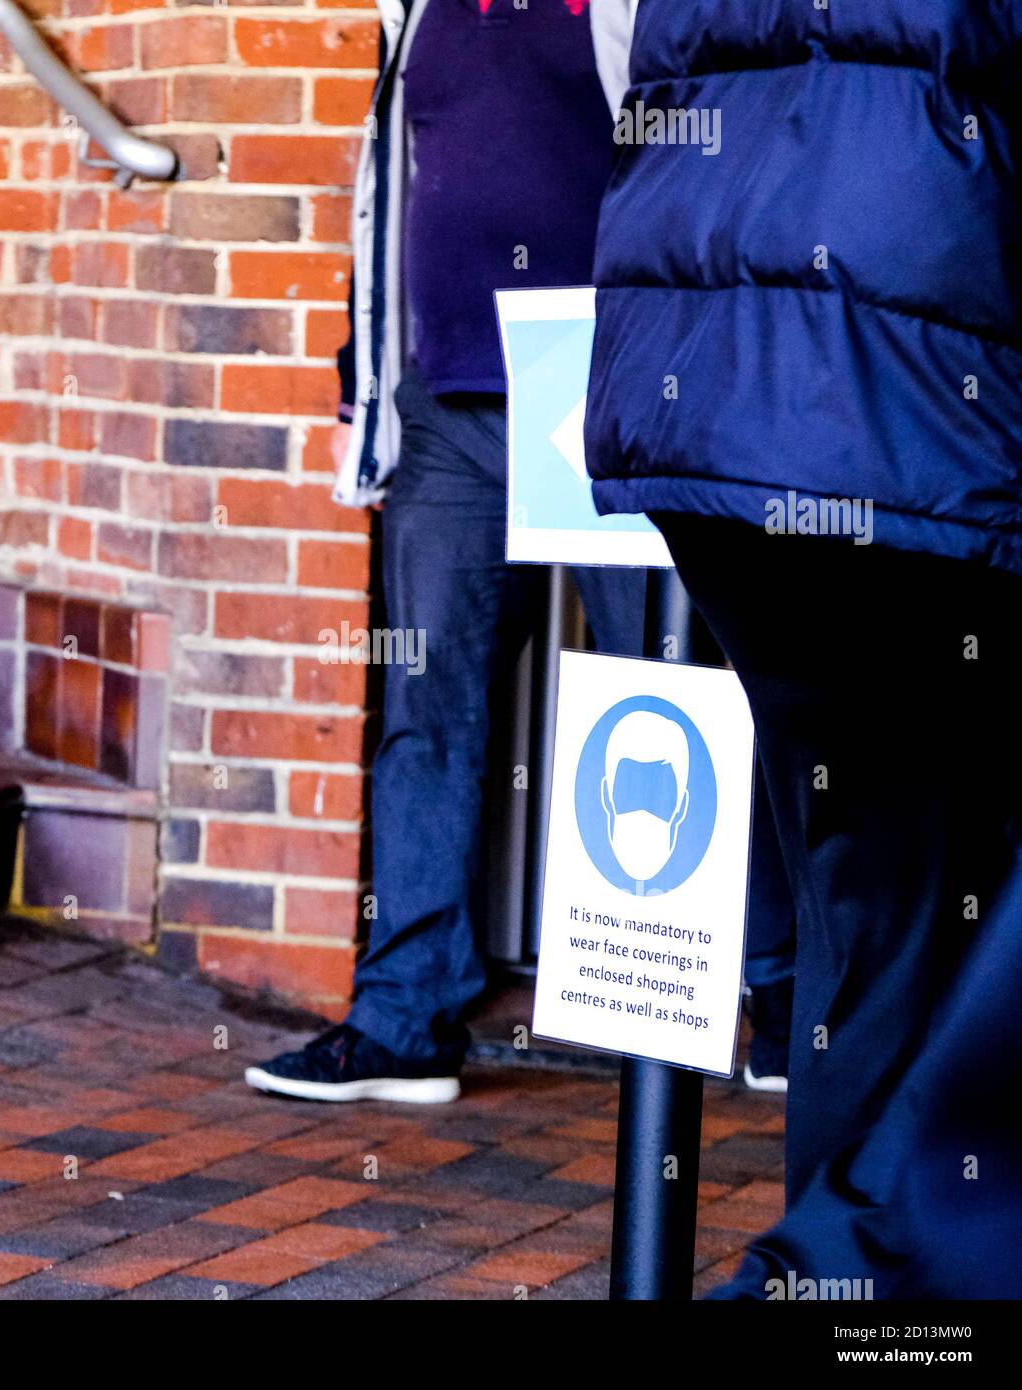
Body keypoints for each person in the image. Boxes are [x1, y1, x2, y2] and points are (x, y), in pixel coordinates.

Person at [245, 0, 793, 1105]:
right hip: (446, 408)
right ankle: (404, 1020)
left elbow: (705, 171)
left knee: (680, 691)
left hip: (605, 388)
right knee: (426, 710)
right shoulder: (417, 9)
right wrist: (363, 384)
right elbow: (385, 196)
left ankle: (779, 1002)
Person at [585, 0, 1022, 1296]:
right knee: (936, 909)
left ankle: (846, 1289)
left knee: (873, 914)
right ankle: (857, 1278)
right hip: (916, 414)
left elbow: (616, 52)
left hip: (711, 404)